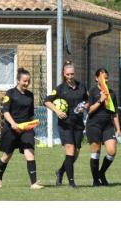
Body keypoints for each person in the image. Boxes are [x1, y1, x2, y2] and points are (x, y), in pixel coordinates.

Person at [0, 67, 43, 189]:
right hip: (11, 129)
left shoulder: (30, 95)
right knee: (7, 156)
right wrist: (13, 124)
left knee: (30, 153)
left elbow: (31, 114)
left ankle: (33, 183)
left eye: (28, 81)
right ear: (18, 80)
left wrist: (34, 123)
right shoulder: (10, 93)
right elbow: (6, 112)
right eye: (24, 81)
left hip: (26, 129)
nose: (27, 83)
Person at [43, 60, 88, 188]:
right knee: (70, 150)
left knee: (75, 153)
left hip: (78, 124)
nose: (70, 77)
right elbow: (46, 101)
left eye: (72, 74)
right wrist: (57, 111)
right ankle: (72, 182)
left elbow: (87, 100)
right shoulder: (60, 89)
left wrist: (84, 106)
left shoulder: (81, 86)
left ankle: (60, 171)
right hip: (65, 124)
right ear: (64, 74)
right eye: (68, 74)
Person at [87, 68, 121, 186]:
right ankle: (95, 180)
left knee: (112, 151)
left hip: (108, 126)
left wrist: (118, 129)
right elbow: (90, 110)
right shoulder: (92, 91)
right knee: (96, 151)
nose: (105, 80)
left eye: (106, 78)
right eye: (102, 78)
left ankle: (101, 173)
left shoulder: (112, 93)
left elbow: (115, 113)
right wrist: (101, 100)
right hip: (94, 125)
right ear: (96, 78)